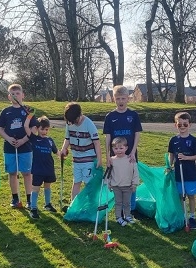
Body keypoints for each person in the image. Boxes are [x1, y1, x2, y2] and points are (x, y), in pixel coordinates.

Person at [0, 84, 38, 209]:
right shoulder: (5, 111)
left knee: (27, 172)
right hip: (10, 148)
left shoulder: (28, 110)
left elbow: (34, 128)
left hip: (26, 147)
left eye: (17, 93)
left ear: (23, 95)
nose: (15, 96)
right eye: (12, 94)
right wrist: (8, 139)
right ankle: (15, 198)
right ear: (9, 96)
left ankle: (29, 199)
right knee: (12, 173)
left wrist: (24, 140)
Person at [103, 85, 142, 218]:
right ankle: (119, 209)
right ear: (114, 99)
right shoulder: (110, 116)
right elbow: (107, 137)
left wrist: (133, 151)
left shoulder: (133, 115)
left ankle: (131, 209)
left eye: (123, 98)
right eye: (118, 98)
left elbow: (137, 134)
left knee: (131, 179)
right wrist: (108, 155)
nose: (121, 101)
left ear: (128, 99)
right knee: (118, 180)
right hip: (116, 156)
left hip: (130, 154)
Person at [59, 102, 102, 201]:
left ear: (80, 115)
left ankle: (91, 205)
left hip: (88, 159)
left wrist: (99, 159)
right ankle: (73, 205)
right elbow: (67, 138)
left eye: (75, 120)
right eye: (70, 121)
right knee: (76, 182)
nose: (73, 123)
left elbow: (97, 143)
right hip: (76, 159)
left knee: (88, 183)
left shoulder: (89, 124)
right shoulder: (70, 123)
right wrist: (64, 149)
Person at [168, 112, 196, 230]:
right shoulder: (173, 140)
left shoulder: (193, 140)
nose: (182, 126)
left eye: (185, 124)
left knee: (191, 195)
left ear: (189, 125)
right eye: (180, 124)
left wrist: (187, 158)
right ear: (175, 125)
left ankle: (192, 216)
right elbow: (171, 154)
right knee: (180, 195)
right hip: (178, 172)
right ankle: (183, 216)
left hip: (190, 172)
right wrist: (169, 165)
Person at [24, 114, 59, 219]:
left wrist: (62, 154)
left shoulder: (50, 140)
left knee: (47, 186)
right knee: (35, 189)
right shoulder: (34, 139)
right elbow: (26, 127)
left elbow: (57, 152)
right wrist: (30, 116)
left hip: (49, 169)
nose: (44, 132)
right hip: (38, 169)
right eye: (42, 129)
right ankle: (33, 208)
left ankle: (47, 204)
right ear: (37, 128)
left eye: (47, 129)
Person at [107, 137, 140, 226]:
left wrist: (134, 184)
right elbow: (109, 173)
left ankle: (127, 216)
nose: (118, 150)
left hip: (128, 186)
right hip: (116, 186)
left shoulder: (130, 160)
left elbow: (135, 173)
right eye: (116, 148)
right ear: (112, 149)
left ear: (126, 148)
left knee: (127, 202)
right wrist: (108, 184)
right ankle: (118, 218)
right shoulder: (112, 160)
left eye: (121, 148)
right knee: (118, 203)